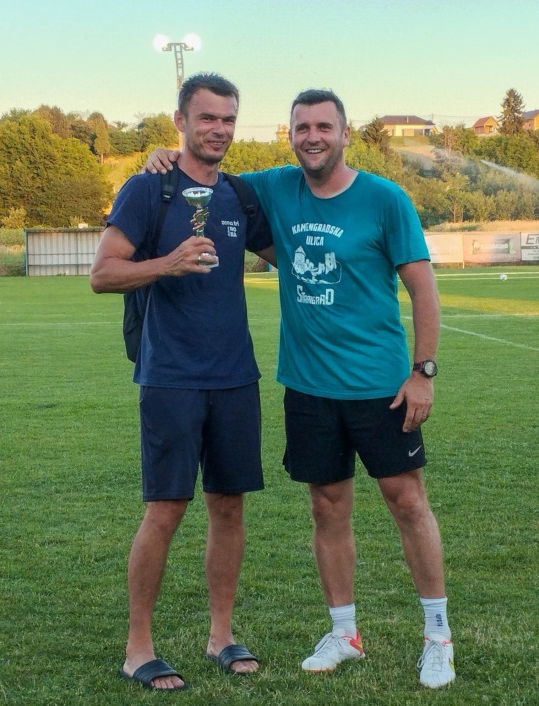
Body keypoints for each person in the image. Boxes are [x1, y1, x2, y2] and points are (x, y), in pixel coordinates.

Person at [145, 88, 454, 688]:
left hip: (380, 385)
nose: (313, 137)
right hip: (308, 386)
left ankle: (437, 635)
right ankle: (344, 633)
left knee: (407, 502)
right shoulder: (274, 187)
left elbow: (424, 290)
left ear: (345, 133)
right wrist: (165, 155)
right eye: (302, 128)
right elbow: (207, 174)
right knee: (327, 506)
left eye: (323, 127)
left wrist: (423, 372)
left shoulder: (385, 199)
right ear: (289, 135)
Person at [90, 72, 275, 691]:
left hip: (235, 376)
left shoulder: (240, 196)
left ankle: (221, 635)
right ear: (180, 122)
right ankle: (137, 647)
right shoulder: (149, 189)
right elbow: (102, 273)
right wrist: (168, 263)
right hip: (170, 376)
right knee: (165, 509)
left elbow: (287, 254)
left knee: (229, 506)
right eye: (207, 118)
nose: (218, 129)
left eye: (228, 119)